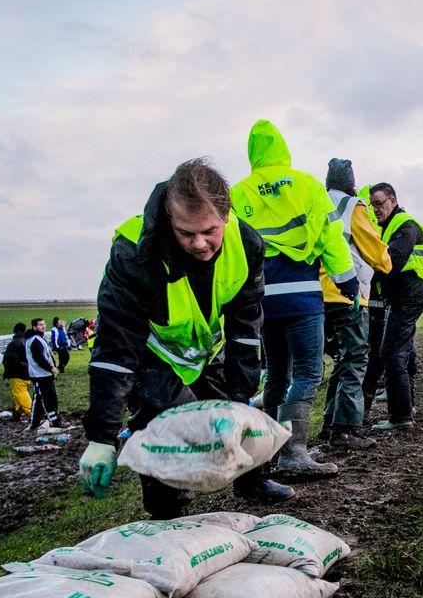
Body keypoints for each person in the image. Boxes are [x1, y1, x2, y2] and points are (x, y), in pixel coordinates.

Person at [80, 157, 291, 514]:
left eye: (209, 231)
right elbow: (116, 347)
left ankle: (251, 477)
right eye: (186, 233)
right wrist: (101, 437)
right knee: (166, 425)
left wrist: (241, 395)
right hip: (155, 355)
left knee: (236, 414)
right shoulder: (133, 253)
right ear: (169, 219)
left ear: (226, 214)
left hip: (206, 352)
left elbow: (245, 329)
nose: (199, 244)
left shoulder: (248, 245)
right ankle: (168, 510)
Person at [230, 120, 360, 477]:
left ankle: (270, 451)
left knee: (275, 374)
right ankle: (294, 452)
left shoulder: (240, 192)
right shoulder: (307, 185)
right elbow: (332, 235)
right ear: (283, 148)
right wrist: (346, 279)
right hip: (302, 295)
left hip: (261, 299)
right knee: (308, 370)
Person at [320, 158, 390, 448]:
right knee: (356, 357)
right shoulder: (353, 206)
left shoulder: (316, 201)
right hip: (347, 291)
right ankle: (345, 429)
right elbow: (375, 250)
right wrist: (386, 263)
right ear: (351, 182)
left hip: (316, 293)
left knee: (340, 359)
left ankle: (329, 423)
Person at [368, 182, 423, 431]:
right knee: (402, 351)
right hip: (403, 297)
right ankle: (406, 408)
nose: (376, 209)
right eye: (373, 205)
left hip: (408, 297)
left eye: (380, 203)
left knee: (391, 352)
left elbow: (392, 262)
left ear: (392, 201)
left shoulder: (403, 224)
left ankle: (400, 416)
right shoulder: (389, 226)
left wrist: (366, 274)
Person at [25, 318, 66, 430]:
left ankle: (34, 422)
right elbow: (39, 358)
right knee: (50, 400)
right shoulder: (35, 340)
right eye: (40, 325)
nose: (43, 326)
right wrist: (51, 368)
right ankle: (55, 422)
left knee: (38, 399)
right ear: (34, 327)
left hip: (42, 374)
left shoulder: (37, 339)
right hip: (41, 375)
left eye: (44, 324)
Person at [2, 322, 32, 419]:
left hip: (18, 372)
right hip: (28, 371)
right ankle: (17, 411)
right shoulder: (26, 341)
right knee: (19, 391)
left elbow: (9, 360)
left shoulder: (14, 343)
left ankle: (31, 412)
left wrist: (6, 373)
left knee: (20, 393)